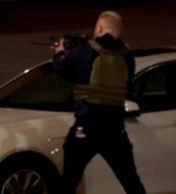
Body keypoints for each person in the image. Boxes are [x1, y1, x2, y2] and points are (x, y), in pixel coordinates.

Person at [51, 11, 147, 194]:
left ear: (100, 28)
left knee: (69, 180)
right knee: (131, 180)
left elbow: (61, 69)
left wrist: (60, 52)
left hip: (87, 128)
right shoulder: (127, 57)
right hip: (115, 130)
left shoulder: (86, 51)